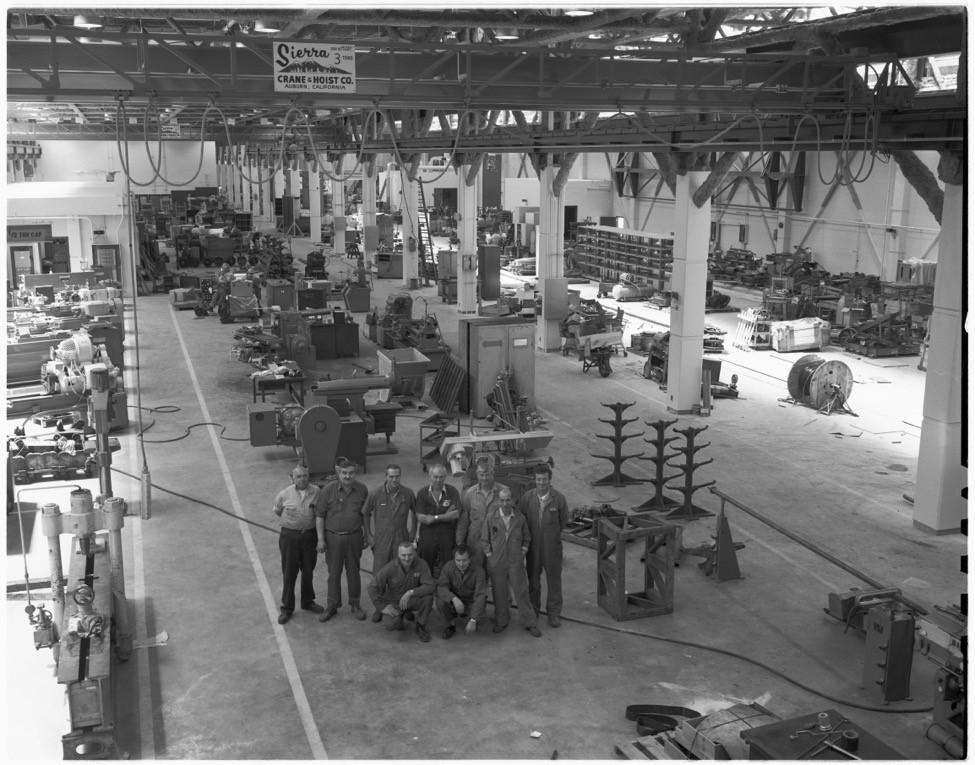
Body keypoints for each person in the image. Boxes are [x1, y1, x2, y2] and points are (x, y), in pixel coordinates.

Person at [481, 487, 541, 637]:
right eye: (502, 500)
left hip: (515, 562)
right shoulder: (491, 517)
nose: (505, 503)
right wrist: (490, 556)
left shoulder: (520, 519)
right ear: (498, 501)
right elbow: (484, 540)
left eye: (508, 500)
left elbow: (527, 538)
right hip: (497, 563)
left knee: (521, 592)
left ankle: (530, 623)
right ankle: (501, 621)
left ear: (513, 500)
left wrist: (522, 553)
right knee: (499, 594)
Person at [315, 457, 369, 622]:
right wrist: (320, 539)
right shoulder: (328, 490)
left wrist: (367, 534)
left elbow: (365, 515)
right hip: (333, 538)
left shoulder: (362, 490)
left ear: (355, 473)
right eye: (344, 473)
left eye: (351, 473)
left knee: (354, 572)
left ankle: (355, 604)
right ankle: (332, 605)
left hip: (354, 537)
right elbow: (319, 516)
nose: (347, 476)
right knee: (334, 573)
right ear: (339, 472)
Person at [363, 464, 416, 622]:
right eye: (391, 476)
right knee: (379, 574)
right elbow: (365, 514)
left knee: (403, 573)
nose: (394, 479)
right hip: (382, 540)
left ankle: (405, 606)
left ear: (400, 476)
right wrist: (369, 535)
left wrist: (413, 533)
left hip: (401, 538)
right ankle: (380, 607)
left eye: (397, 476)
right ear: (386, 477)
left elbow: (415, 512)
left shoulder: (408, 493)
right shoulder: (375, 494)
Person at [271, 464, 323, 624]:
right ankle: (287, 608)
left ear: (309, 476)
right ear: (292, 478)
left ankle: (307, 601)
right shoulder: (284, 494)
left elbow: (320, 513)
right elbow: (277, 510)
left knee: (308, 570)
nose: (302, 479)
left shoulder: (317, 492)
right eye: (298, 476)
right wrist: (292, 524)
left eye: (305, 476)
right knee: (289, 572)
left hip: (309, 537)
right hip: (290, 537)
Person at [519, 465, 569, 628]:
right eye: (538, 479)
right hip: (533, 548)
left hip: (552, 548)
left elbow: (563, 521)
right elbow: (521, 521)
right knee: (533, 581)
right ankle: (534, 610)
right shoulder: (527, 498)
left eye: (544, 479)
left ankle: (554, 614)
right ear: (535, 479)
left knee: (554, 581)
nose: (541, 482)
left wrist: (550, 535)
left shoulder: (559, 499)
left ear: (550, 479)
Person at [367, 541, 435, 642]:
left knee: (428, 598)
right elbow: (372, 587)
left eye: (410, 554)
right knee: (389, 624)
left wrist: (411, 592)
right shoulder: (390, 567)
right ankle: (400, 616)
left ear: (414, 553)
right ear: (398, 555)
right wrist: (382, 606)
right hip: (395, 602)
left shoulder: (422, 564)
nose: (407, 558)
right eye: (403, 555)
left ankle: (420, 625)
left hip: (412, 599)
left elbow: (430, 586)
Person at [457, 458, 507, 566]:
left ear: (493, 473)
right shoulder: (469, 494)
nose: (484, 478)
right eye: (481, 474)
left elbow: (511, 518)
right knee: (476, 570)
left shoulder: (504, 492)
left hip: (496, 541)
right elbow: (464, 519)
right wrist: (460, 541)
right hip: (475, 542)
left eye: (487, 474)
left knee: (496, 570)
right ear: (477, 474)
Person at [414, 464, 462, 577]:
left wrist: (435, 517)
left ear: (445, 477)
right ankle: (427, 584)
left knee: (448, 563)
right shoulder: (422, 493)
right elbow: (421, 517)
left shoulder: (452, 491)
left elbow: (456, 514)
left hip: (447, 534)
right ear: (430, 476)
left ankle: (446, 585)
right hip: (427, 534)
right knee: (425, 563)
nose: (438, 480)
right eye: (435, 477)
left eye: (441, 477)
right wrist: (446, 515)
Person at [436, 545, 487, 639]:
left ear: (470, 559)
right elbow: (441, 587)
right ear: (454, 559)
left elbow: (480, 595)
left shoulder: (479, 571)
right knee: (440, 602)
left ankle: (469, 617)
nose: (461, 564)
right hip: (454, 601)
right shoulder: (448, 567)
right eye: (458, 560)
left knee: (481, 620)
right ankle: (450, 625)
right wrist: (453, 598)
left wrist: (473, 619)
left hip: (470, 602)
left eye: (464, 560)